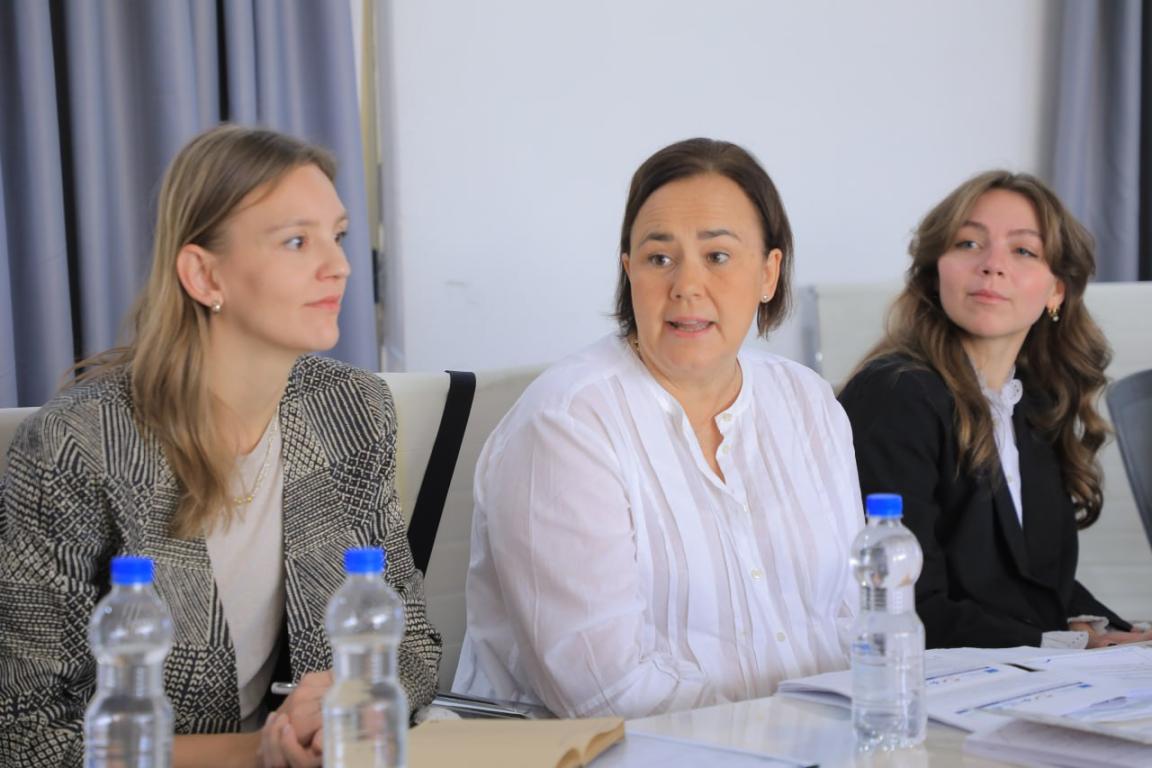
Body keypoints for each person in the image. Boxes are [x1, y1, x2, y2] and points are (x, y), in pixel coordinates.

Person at [0, 125, 441, 767]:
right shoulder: (80, 445)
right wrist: (257, 750)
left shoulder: (351, 409)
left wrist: (344, 704)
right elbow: (21, 733)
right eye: (297, 241)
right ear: (204, 275)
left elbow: (411, 645)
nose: (339, 266)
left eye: (339, 236)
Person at [453, 138, 863, 719]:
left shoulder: (808, 403)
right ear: (629, 273)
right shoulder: (567, 423)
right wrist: (786, 732)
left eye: (717, 256)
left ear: (769, 273)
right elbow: (605, 692)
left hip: (818, 739)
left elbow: (854, 618)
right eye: (659, 259)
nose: (686, 285)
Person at [838, 170, 1152, 650]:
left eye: (1023, 250)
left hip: (1018, 674)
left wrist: (1122, 633)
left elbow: (1042, 583)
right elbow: (909, 605)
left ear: (1056, 291)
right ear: (935, 271)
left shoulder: (1030, 401)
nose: (992, 266)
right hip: (926, 679)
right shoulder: (896, 396)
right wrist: (1068, 645)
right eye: (968, 244)